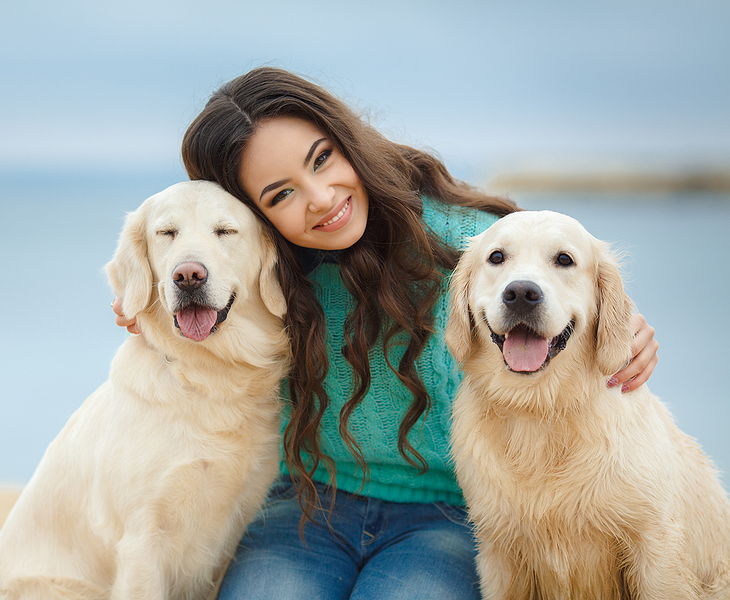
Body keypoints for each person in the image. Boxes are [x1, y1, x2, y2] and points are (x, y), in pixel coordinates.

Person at [113, 67, 659, 599]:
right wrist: (148, 299)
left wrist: (624, 327)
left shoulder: (472, 243)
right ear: (254, 220)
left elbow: (561, 290)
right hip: (305, 507)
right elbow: (187, 284)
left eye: (322, 159)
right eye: (281, 195)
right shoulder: (267, 276)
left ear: (348, 138)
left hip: (445, 514)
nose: (322, 197)